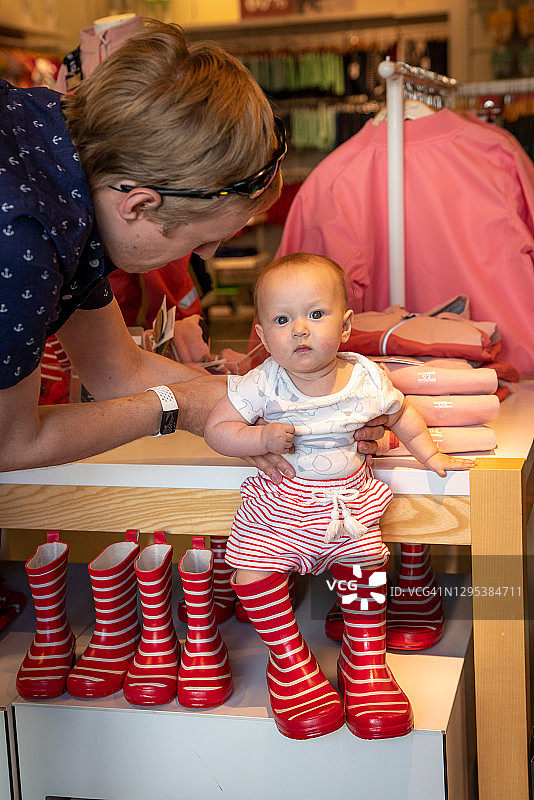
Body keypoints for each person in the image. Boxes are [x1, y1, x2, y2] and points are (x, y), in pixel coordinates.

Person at [0, 20, 296, 474]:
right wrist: (173, 406)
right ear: (138, 205)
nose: (207, 255)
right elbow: (11, 442)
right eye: (201, 240)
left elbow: (118, 371)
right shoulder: (26, 230)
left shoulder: (69, 151)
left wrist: (279, 403)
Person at [204, 252, 475, 741]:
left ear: (346, 325)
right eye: (283, 320)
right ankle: (290, 661)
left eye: (315, 314)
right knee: (249, 573)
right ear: (263, 337)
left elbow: (403, 415)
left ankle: (365, 656)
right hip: (280, 512)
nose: (300, 331)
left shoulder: (368, 378)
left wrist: (431, 457)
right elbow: (217, 430)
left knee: (366, 572)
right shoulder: (262, 381)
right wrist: (259, 440)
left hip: (347, 510)